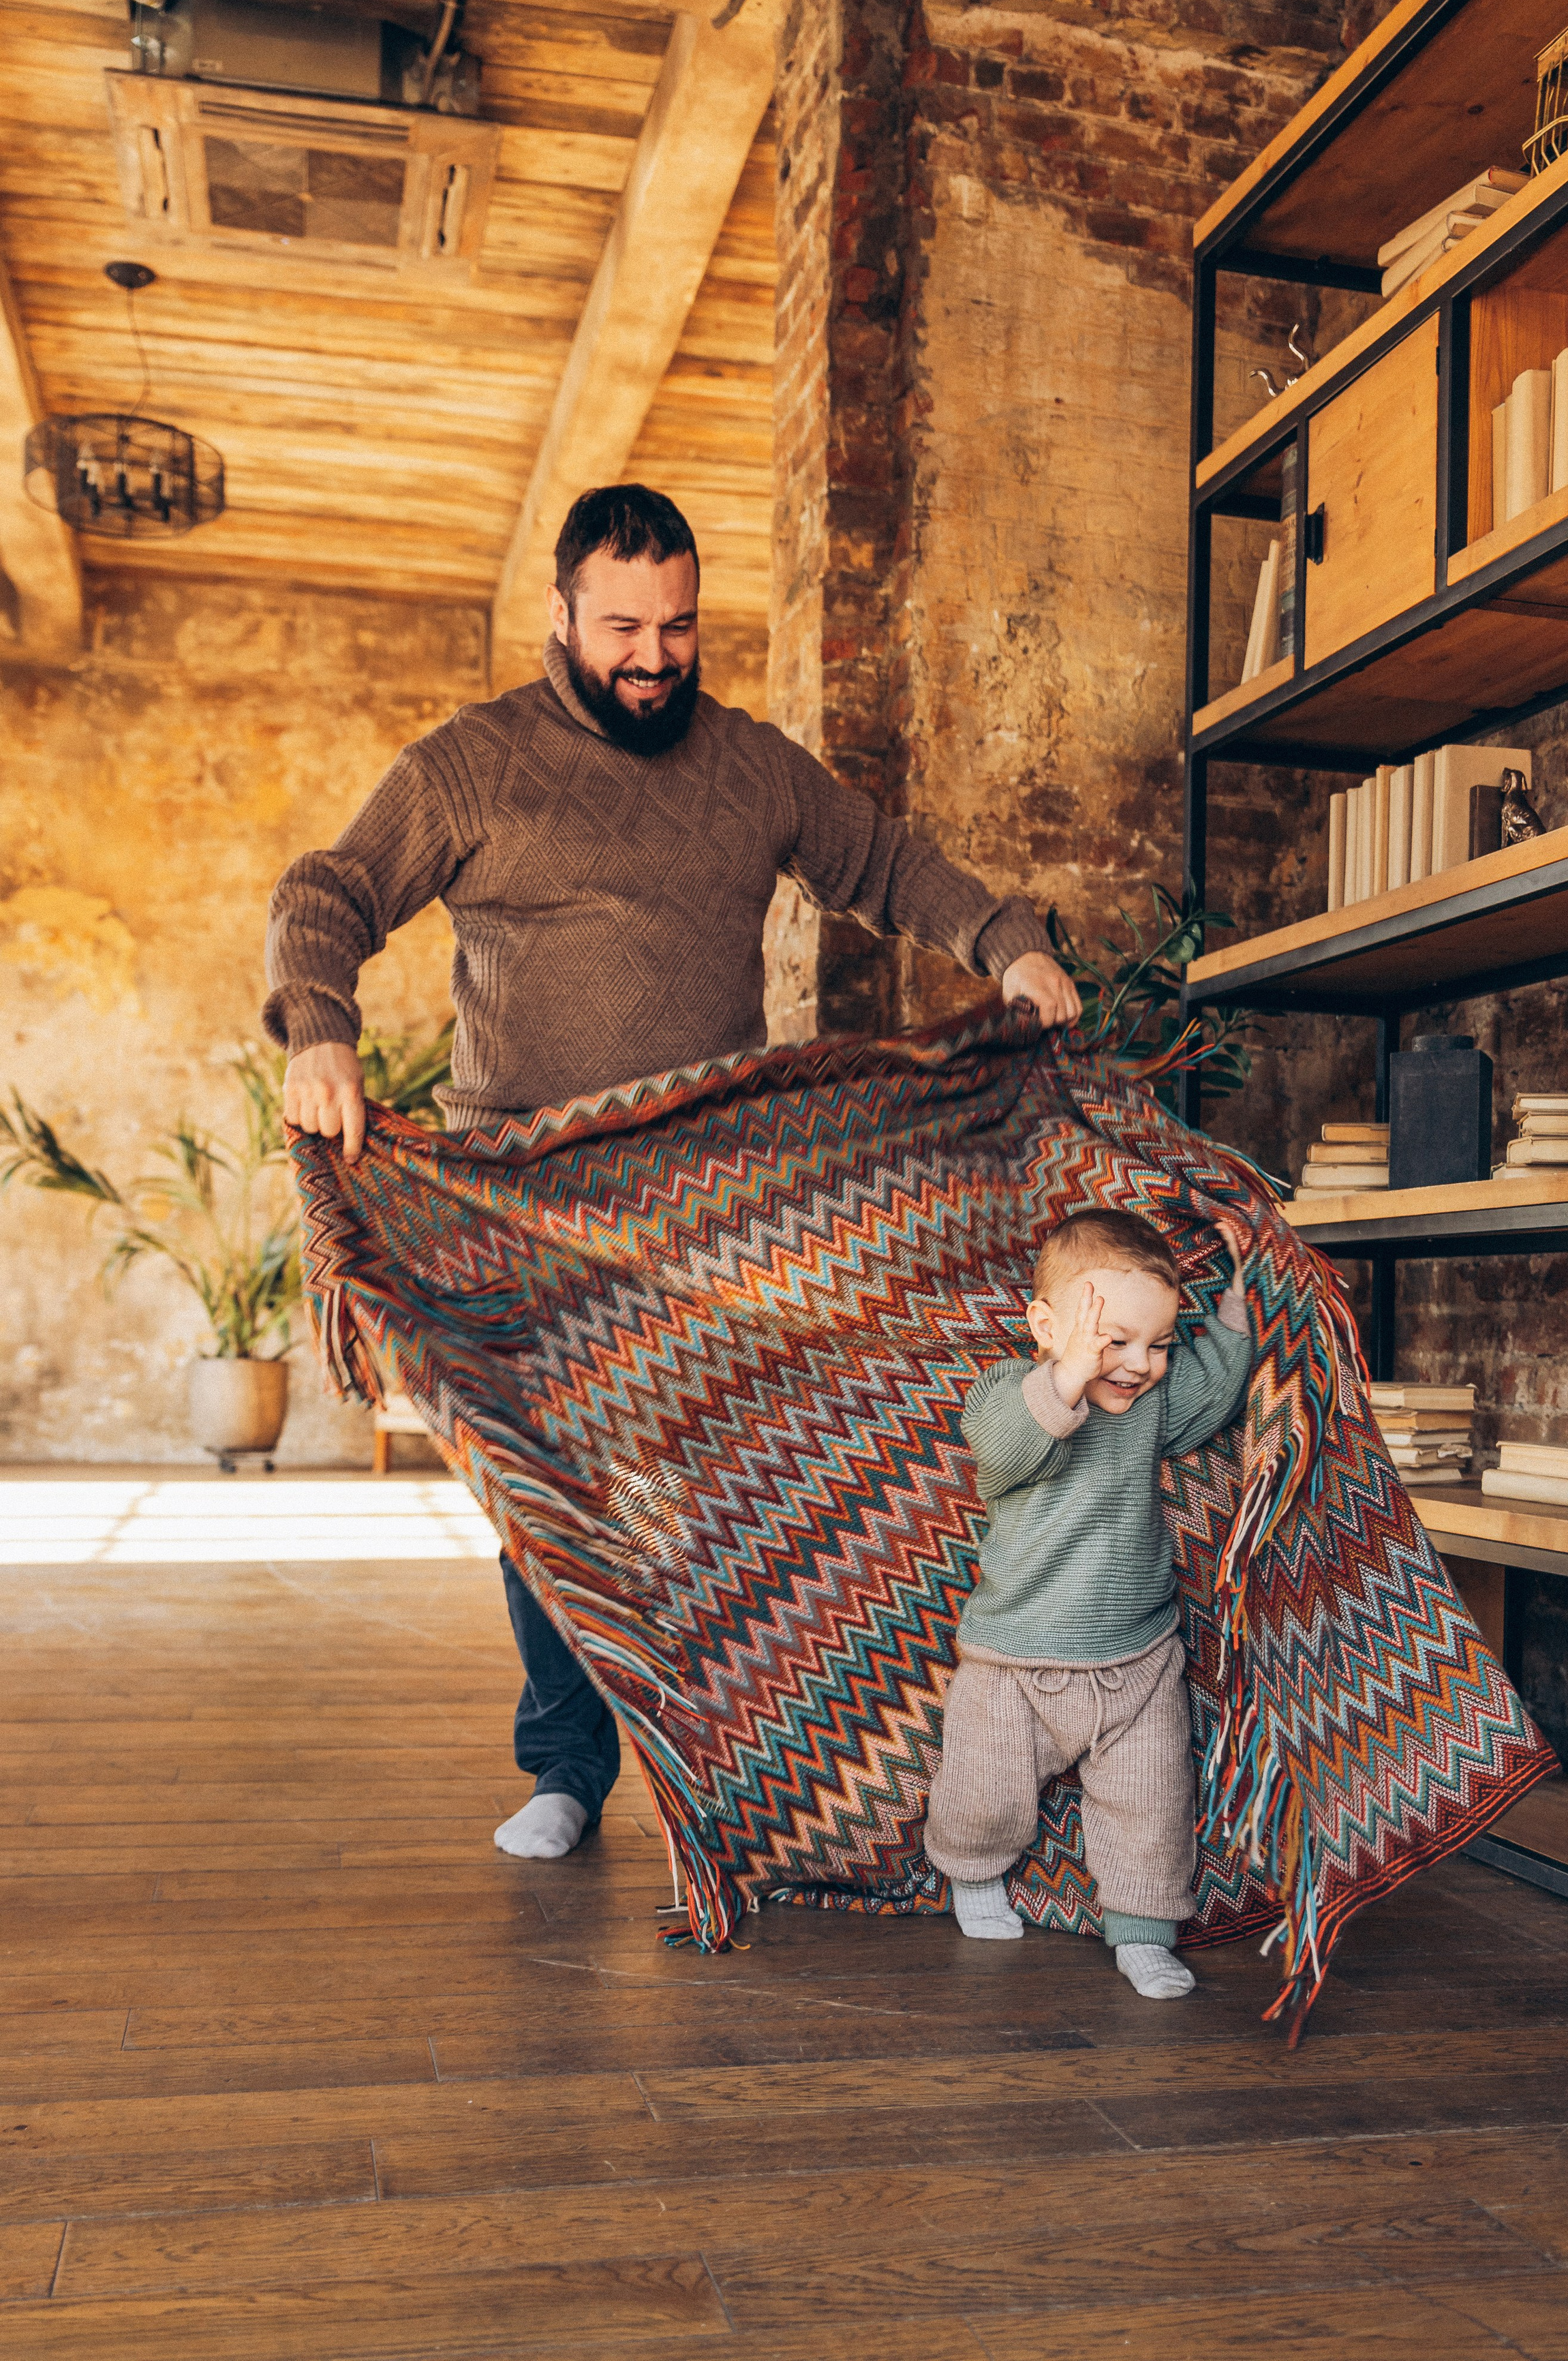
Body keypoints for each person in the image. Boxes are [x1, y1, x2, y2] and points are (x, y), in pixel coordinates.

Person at [264, 482, 1080, 1862]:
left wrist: (1007, 943)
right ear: (562, 616)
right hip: (525, 1190)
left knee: (723, 1488)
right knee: (550, 1489)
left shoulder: (752, 769)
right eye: (624, 625)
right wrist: (320, 1032)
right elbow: (327, 891)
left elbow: (879, 861)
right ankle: (566, 1766)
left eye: (680, 627)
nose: (653, 654)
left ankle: (737, 1762)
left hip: (709, 1192)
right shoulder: (471, 764)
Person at [923, 1206, 1252, 1997]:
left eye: (1158, 1344)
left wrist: (1245, 1290)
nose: (1139, 1364)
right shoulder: (1005, 1390)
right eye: (1115, 1340)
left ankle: (1141, 1930)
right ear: (1044, 1324)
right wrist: (1066, 1373)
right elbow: (1006, 1447)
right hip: (1013, 1662)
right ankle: (970, 1874)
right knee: (980, 1790)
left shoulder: (1145, 1408)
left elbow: (1214, 1393)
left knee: (1151, 1802)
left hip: (1137, 1657)